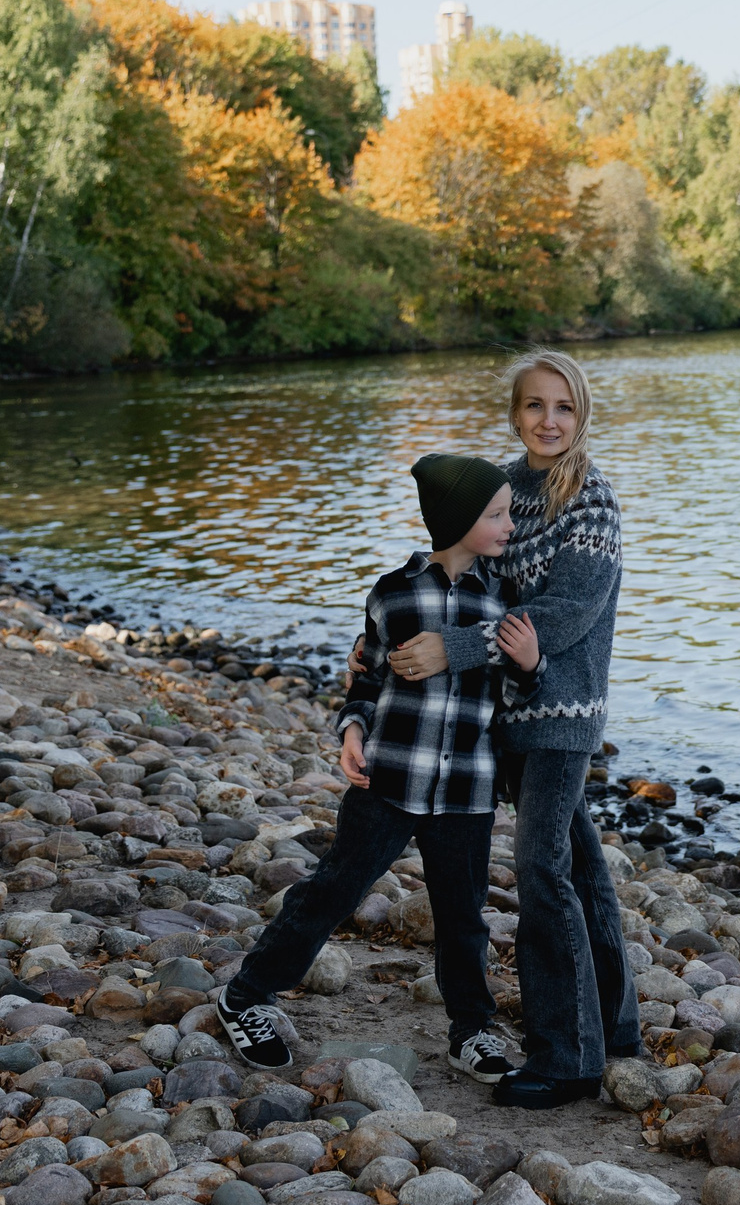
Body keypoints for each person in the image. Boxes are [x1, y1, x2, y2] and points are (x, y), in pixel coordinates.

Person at [216, 454, 539, 1084]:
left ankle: (472, 1030)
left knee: (463, 916)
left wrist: (529, 666)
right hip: (388, 778)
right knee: (333, 889)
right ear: (457, 518)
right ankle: (246, 995)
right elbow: (364, 683)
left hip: (467, 789)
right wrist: (352, 729)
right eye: (496, 514)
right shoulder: (392, 593)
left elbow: (518, 701)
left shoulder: (505, 599)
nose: (509, 524)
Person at [381, 350, 637, 1109]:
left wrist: (456, 648)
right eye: (534, 406)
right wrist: (399, 616)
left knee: (541, 874)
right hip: (506, 712)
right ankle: (613, 1020)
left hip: (561, 714)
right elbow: (462, 563)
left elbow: (563, 615)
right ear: (515, 412)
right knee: (580, 865)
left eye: (562, 406)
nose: (548, 420)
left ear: (581, 412)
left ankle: (568, 1055)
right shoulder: (501, 487)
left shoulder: (590, 498)